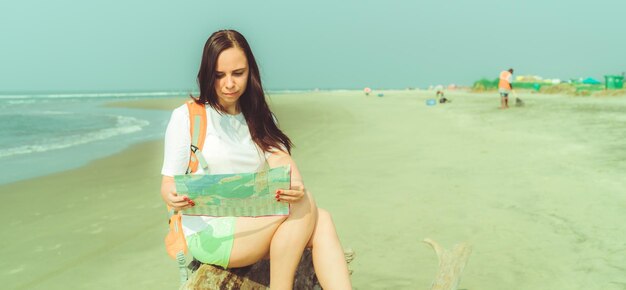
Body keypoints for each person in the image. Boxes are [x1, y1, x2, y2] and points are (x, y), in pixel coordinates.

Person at [160, 30, 352, 290]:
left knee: (321, 218)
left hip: (256, 223)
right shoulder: (186, 117)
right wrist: (172, 195)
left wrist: (294, 184)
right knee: (309, 209)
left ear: (250, 72)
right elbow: (168, 184)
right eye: (220, 75)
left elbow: (282, 163)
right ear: (207, 74)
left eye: (238, 73)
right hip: (210, 234)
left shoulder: (259, 117)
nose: (229, 83)